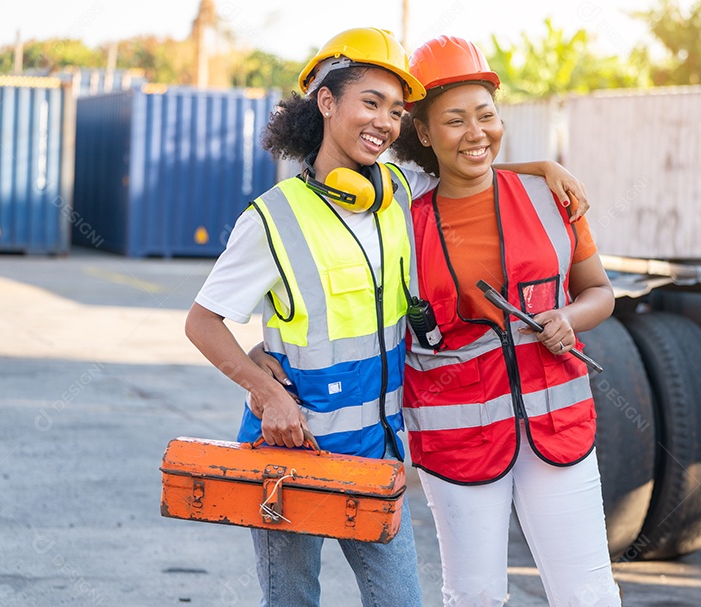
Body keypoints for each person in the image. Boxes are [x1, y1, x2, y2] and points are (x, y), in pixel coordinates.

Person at [188, 27, 590, 607]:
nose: (384, 121)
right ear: (326, 103)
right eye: (370, 102)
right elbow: (202, 322)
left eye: (397, 110)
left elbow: (468, 164)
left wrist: (543, 167)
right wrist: (263, 390)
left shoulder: (396, 192)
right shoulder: (272, 219)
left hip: (376, 453)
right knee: (293, 600)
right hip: (291, 455)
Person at [389, 36, 621, 607]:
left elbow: (600, 292)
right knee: (474, 595)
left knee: (587, 592)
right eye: (454, 120)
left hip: (555, 423)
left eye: (486, 116)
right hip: (457, 436)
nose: (476, 132)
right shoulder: (402, 224)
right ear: (423, 132)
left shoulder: (549, 198)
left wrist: (568, 316)